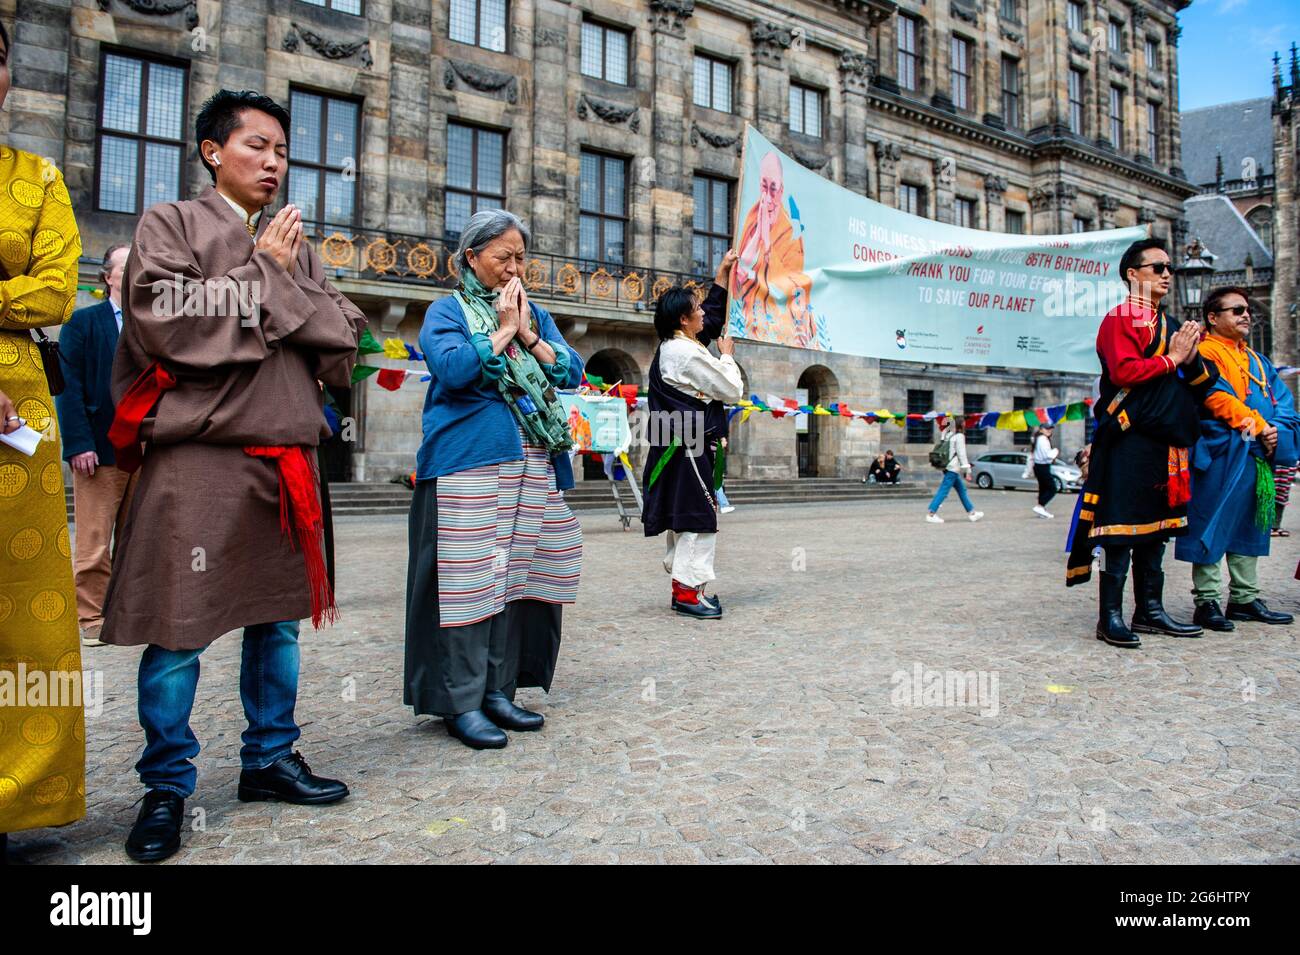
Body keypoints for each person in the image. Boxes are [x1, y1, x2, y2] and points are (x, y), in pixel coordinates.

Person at [101, 90, 366, 862]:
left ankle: (270, 758)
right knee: (180, 630)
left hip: (287, 454)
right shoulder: (170, 224)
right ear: (213, 152)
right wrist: (270, 276)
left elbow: (345, 336)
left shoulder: (297, 241)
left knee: (278, 623)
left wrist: (267, 289)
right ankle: (165, 786)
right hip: (199, 456)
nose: (275, 163)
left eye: (283, 151)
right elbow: (164, 325)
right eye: (258, 146)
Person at [405, 209, 584, 750]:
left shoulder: (536, 313)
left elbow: (571, 370)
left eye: (521, 258)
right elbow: (455, 370)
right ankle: (461, 699)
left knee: (516, 576)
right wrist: (503, 330)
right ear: (471, 258)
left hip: (532, 459)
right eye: (503, 257)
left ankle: (499, 690)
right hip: (468, 461)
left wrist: (527, 332)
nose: (514, 268)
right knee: (469, 580)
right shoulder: (446, 311)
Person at [0, 18, 86, 857]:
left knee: (26, 610)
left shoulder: (37, 175)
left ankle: (20, 794)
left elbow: (55, 290)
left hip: (15, 412)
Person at [1066, 238, 1220, 649]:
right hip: (1129, 436)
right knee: (1120, 527)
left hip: (1166, 441)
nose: (1166, 274)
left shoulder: (1173, 327)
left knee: (1157, 530)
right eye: (1157, 267)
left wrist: (1188, 357)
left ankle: (1150, 610)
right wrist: (1172, 359)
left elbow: (1206, 382)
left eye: (1169, 267)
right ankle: (1110, 617)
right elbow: (1125, 371)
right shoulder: (1120, 319)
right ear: (1133, 275)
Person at [1174, 287, 1299, 630]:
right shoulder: (1203, 354)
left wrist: (1276, 429)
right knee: (1211, 522)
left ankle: (1244, 598)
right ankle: (1207, 601)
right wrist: (1260, 426)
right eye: (1237, 310)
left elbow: (1284, 402)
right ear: (1213, 318)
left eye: (1247, 310)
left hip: (1256, 453)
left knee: (1251, 523)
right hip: (1220, 454)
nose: (1246, 315)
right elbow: (1216, 398)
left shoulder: (1258, 360)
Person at [642, 287, 745, 618]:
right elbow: (731, 389)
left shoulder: (675, 347)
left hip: (681, 444)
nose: (704, 313)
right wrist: (727, 355)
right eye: (697, 309)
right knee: (697, 517)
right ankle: (688, 592)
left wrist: (722, 277)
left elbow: (712, 317)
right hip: (688, 445)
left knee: (687, 514)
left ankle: (684, 588)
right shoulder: (686, 354)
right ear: (683, 319)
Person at [55, 244, 136, 647]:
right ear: (107, 277)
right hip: (98, 451)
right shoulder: (82, 322)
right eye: (127, 266)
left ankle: (125, 613)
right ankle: (89, 616)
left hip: (145, 450)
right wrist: (78, 444)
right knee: (93, 539)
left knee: (138, 537)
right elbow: (66, 388)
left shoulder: (152, 324)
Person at [730, 151, 820, 348]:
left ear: (781, 191)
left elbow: (794, 284)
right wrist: (759, 237)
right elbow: (741, 274)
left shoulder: (791, 231)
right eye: (764, 187)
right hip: (748, 313)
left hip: (778, 319)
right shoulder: (752, 216)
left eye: (774, 189)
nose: (768, 197)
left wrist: (768, 244)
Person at [925, 418, 984, 523]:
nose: (965, 424)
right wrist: (968, 471)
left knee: (962, 490)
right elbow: (962, 455)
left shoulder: (948, 434)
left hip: (948, 467)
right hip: (953, 468)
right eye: (964, 423)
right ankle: (931, 514)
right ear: (961, 424)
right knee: (944, 491)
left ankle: (972, 513)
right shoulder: (960, 436)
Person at [1032, 423, 1060, 518]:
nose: (1049, 430)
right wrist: (1055, 451)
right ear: (1041, 429)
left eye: (1050, 429)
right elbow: (1048, 455)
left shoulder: (1038, 439)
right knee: (1052, 488)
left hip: (1039, 466)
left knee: (1043, 488)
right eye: (1046, 429)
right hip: (1042, 466)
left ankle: (1041, 509)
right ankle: (1040, 506)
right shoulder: (1043, 440)